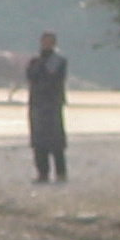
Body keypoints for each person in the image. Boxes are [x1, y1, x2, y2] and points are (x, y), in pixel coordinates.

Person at [22, 30, 71, 183]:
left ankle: (60, 173)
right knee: (38, 142)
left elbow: (53, 78)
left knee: (56, 141)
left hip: (52, 105)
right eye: (44, 41)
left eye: (49, 41)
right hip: (37, 104)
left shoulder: (59, 61)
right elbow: (31, 76)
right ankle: (42, 173)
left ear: (54, 43)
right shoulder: (34, 61)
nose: (46, 44)